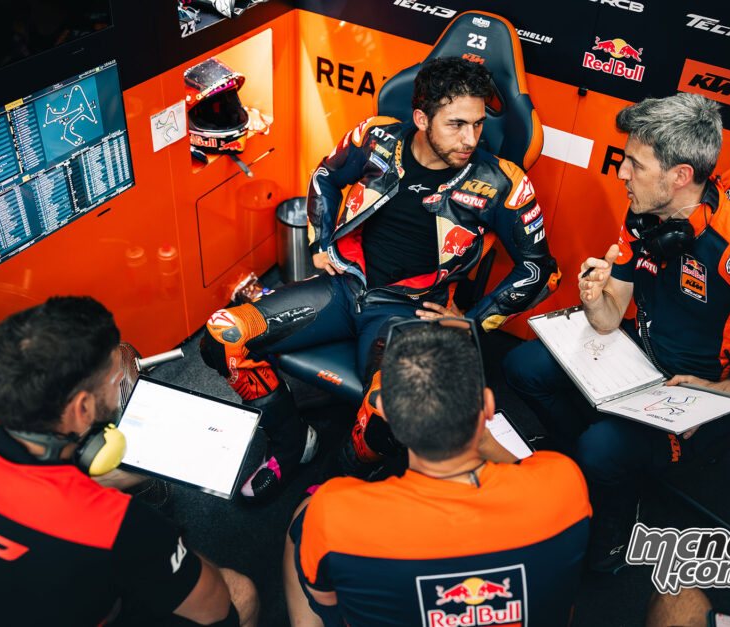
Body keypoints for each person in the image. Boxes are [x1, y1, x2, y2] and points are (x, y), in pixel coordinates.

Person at [503, 93, 730, 571]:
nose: (621, 173)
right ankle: (593, 468)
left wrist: (721, 392)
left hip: (708, 390)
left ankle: (613, 521)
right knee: (522, 366)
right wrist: (592, 295)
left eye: (634, 164)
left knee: (601, 448)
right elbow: (606, 318)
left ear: (681, 176)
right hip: (644, 355)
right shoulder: (644, 214)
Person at [200, 56, 559, 499]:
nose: (471, 139)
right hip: (342, 287)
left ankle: (341, 486)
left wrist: (469, 322)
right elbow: (326, 175)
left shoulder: (502, 180)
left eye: (479, 125)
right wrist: (321, 242)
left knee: (386, 414)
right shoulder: (376, 137)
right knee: (221, 338)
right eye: (456, 125)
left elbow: (540, 268)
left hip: (408, 312)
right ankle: (293, 445)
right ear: (421, 117)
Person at [0, 296, 259, 627]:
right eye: (116, 382)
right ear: (82, 410)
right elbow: (214, 609)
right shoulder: (120, 526)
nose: (121, 386)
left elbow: (25, 503)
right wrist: (162, 549)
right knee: (241, 592)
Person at [283, 322, 590, 626]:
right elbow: (528, 471)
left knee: (303, 516)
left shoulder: (331, 514)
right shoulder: (564, 482)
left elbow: (329, 603)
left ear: (387, 415)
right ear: (487, 406)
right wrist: (481, 434)